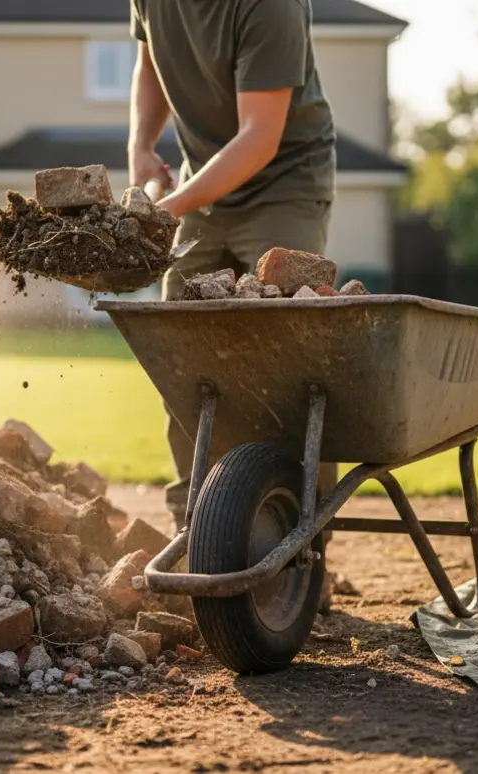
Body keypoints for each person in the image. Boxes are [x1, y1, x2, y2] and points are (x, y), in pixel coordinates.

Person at [126, 0, 339, 528]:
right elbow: (150, 57)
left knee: (292, 358)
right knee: (181, 354)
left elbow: (260, 137)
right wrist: (141, 143)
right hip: (204, 183)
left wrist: (167, 209)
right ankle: (196, 525)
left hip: (284, 181)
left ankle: (302, 547)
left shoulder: (270, 6)